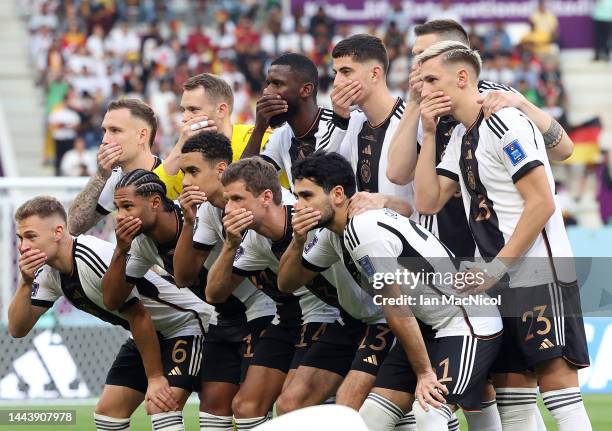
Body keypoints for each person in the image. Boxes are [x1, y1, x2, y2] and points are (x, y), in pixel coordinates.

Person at [413, 41, 591, 431]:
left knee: (560, 394)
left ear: (462, 78)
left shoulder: (502, 121)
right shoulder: (460, 136)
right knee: (514, 402)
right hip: (500, 280)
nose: (422, 90)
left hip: (538, 275)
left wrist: (495, 268)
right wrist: (427, 133)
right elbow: (427, 200)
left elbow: (542, 202)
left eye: (430, 80)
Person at [290, 152, 503, 430]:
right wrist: (297, 241)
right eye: (297, 197)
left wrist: (425, 373)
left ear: (338, 194)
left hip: (465, 320)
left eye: (306, 196)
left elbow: (395, 306)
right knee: (370, 420)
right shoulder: (337, 232)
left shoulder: (362, 230)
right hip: (430, 327)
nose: (298, 206)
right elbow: (287, 282)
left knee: (430, 409)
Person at [9, 196, 213, 431]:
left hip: (186, 325)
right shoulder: (48, 272)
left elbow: (140, 315)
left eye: (31, 236)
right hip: (147, 334)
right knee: (108, 415)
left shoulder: (89, 257)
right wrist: (25, 283)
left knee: (162, 407)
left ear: (58, 232)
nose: (23, 247)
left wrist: (155, 379)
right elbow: (17, 328)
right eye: (20, 238)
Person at [386, 19, 575, 259]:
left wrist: (522, 103)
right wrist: (415, 103)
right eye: (415, 57)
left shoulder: (496, 101)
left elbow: (564, 150)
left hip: (520, 256)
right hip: (458, 243)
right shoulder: (429, 113)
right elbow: (398, 175)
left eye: (423, 54)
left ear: (453, 56)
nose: (416, 67)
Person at [205, 157, 341, 430]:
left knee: (292, 405)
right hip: (290, 318)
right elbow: (214, 294)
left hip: (333, 316)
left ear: (267, 196)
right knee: (245, 407)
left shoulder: (309, 218)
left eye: (236, 199)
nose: (228, 209)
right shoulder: (254, 239)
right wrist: (230, 245)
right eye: (227, 200)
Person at [153, 73, 276, 198]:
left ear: (221, 110)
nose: (184, 118)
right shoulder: (189, 155)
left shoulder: (262, 138)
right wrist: (180, 145)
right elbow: (153, 196)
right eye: (183, 110)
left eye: (193, 110)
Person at [331, 34, 414, 218]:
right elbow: (323, 174)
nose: (336, 82)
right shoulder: (351, 122)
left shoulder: (412, 122)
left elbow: (424, 206)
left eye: (346, 72)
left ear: (374, 74)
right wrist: (338, 121)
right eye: (335, 73)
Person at [241, 53, 349, 190]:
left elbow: (315, 183)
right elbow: (245, 182)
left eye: (277, 84)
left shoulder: (339, 125)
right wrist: (259, 129)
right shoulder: (282, 134)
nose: (266, 92)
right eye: (268, 84)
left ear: (305, 90)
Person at [67, 99, 163, 235]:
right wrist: (100, 176)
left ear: (142, 136)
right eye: (105, 130)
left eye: (115, 130)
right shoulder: (115, 178)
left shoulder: (173, 174)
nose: (105, 140)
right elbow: (74, 227)